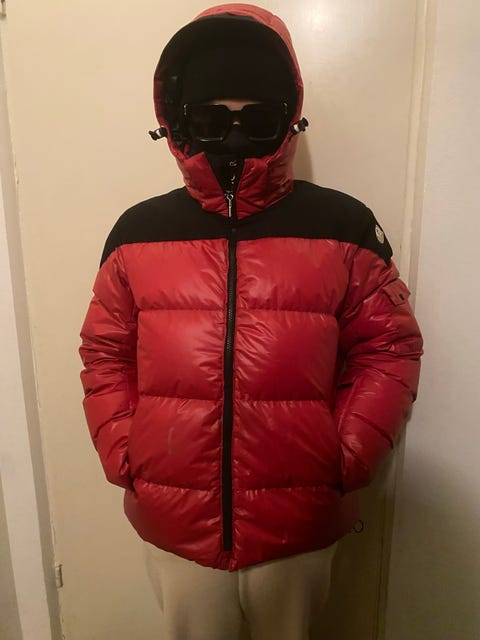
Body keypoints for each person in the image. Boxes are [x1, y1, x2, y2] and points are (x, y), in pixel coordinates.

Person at [78, 4, 424, 639]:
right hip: (175, 523)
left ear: (287, 120)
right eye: (211, 119)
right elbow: (105, 355)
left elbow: (389, 348)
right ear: (179, 122)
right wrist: (126, 451)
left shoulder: (343, 226)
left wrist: (346, 455)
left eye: (257, 118)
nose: (233, 137)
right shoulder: (138, 233)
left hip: (300, 524)